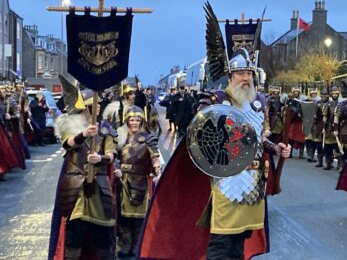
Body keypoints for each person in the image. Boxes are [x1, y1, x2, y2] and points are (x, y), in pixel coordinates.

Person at [138, 48, 291, 260]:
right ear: (230, 76)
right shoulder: (215, 100)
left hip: (253, 180)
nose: (246, 78)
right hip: (226, 180)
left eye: (249, 73)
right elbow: (198, 135)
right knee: (221, 241)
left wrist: (276, 148)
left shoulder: (257, 103)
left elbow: (256, 139)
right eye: (240, 73)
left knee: (240, 240)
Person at [48, 86, 117, 260]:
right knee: (74, 237)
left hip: (99, 187)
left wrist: (99, 158)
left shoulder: (106, 128)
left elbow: (111, 154)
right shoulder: (70, 125)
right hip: (76, 187)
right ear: (86, 107)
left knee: (104, 237)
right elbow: (68, 143)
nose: (99, 106)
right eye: (95, 104)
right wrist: (84, 134)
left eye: (100, 104)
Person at [114, 106, 160, 258]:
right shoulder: (120, 138)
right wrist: (116, 170)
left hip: (139, 181)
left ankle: (137, 245)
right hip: (121, 181)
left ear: (142, 121)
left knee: (139, 217)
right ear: (127, 121)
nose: (134, 123)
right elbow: (114, 157)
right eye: (131, 120)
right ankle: (124, 244)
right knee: (122, 217)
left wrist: (157, 171)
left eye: (137, 120)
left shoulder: (148, 138)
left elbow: (155, 157)